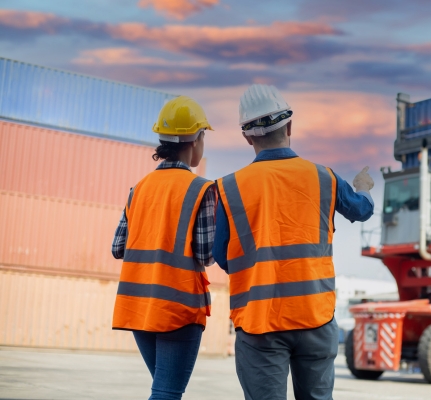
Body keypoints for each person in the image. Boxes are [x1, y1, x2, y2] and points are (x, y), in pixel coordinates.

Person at [214, 84, 375, 400]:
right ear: (289, 126)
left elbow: (222, 255)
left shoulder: (230, 188)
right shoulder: (323, 177)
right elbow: (361, 210)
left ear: (247, 137)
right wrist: (364, 188)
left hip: (260, 321)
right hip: (314, 315)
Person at [111, 96, 216, 400]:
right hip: (176, 309)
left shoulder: (139, 189)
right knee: (167, 393)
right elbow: (206, 254)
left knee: (163, 389)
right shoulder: (201, 189)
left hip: (138, 306)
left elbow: (118, 248)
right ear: (197, 139)